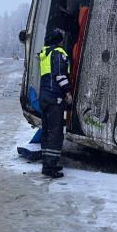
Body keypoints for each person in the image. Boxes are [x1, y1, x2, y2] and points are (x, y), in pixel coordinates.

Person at [38, 29, 72, 179]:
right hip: (55, 98)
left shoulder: (45, 55)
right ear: (59, 41)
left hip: (44, 98)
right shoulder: (59, 53)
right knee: (55, 132)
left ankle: (47, 162)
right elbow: (60, 75)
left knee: (46, 130)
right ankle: (50, 167)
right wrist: (67, 92)